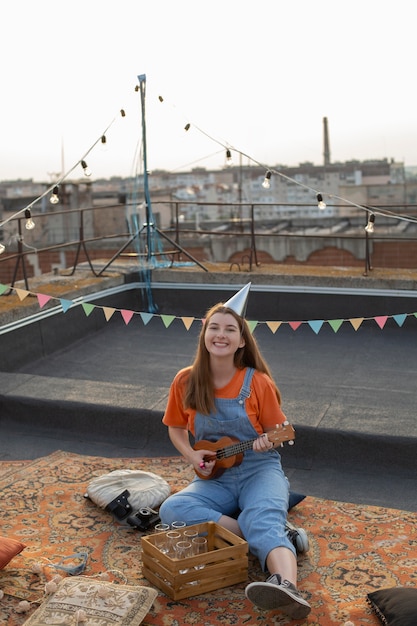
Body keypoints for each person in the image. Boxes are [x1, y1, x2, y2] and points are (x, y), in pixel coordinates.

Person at [159, 283, 311, 620]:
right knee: (173, 508)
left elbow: (280, 431)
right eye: (214, 327)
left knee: (262, 516)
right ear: (204, 334)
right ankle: (271, 533)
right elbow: (175, 428)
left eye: (230, 329)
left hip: (260, 469)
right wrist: (191, 455)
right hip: (216, 477)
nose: (221, 335)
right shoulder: (184, 381)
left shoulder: (258, 383)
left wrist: (268, 440)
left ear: (242, 340)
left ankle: (286, 587)